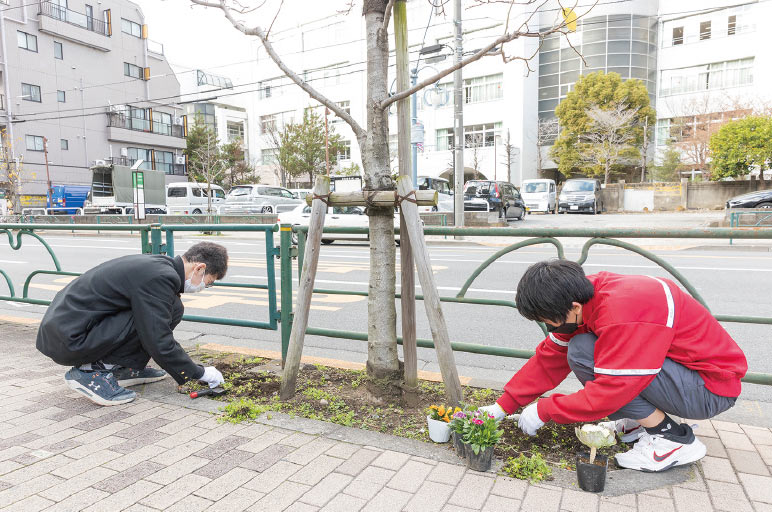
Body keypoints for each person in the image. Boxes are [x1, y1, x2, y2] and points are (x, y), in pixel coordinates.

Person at [479, 260, 747, 472]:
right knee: (582, 348)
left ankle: (673, 439)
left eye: (550, 322)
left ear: (571, 307)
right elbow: (550, 357)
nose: (550, 328)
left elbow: (613, 389)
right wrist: (503, 406)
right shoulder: (586, 297)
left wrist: (546, 409)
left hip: (709, 390)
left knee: (595, 360)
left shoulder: (624, 313)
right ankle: (637, 422)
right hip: (682, 373)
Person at [37, 242, 229, 406]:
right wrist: (198, 372)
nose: (204, 287)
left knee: (172, 308)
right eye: (208, 282)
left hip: (71, 329)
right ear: (199, 268)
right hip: (69, 338)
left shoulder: (161, 266)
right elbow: (157, 337)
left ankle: (124, 367)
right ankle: (91, 373)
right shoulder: (161, 276)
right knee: (151, 320)